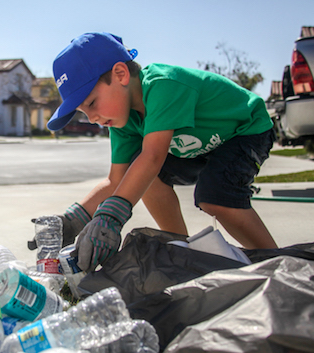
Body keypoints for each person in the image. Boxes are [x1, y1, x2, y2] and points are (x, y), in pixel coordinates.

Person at [42, 32, 278, 272]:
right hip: (200, 148)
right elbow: (116, 180)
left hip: (244, 131)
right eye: (83, 112)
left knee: (216, 197)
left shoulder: (163, 84)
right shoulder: (123, 122)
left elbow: (153, 157)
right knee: (139, 172)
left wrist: (111, 218)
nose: (92, 119)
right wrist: (72, 221)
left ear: (121, 74)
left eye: (92, 103)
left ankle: (278, 262)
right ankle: (181, 250)